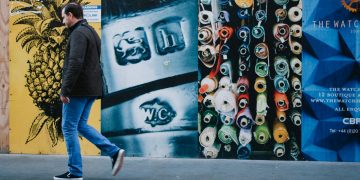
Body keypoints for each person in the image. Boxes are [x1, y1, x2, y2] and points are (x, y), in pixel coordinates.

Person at [54, 2, 124, 180]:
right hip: (92, 88)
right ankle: (114, 152)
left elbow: (76, 62)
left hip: (78, 89)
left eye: (63, 17)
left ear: (70, 15)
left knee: (68, 127)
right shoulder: (91, 31)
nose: (63, 22)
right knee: (81, 125)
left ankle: (75, 172)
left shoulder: (78, 34)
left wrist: (65, 90)